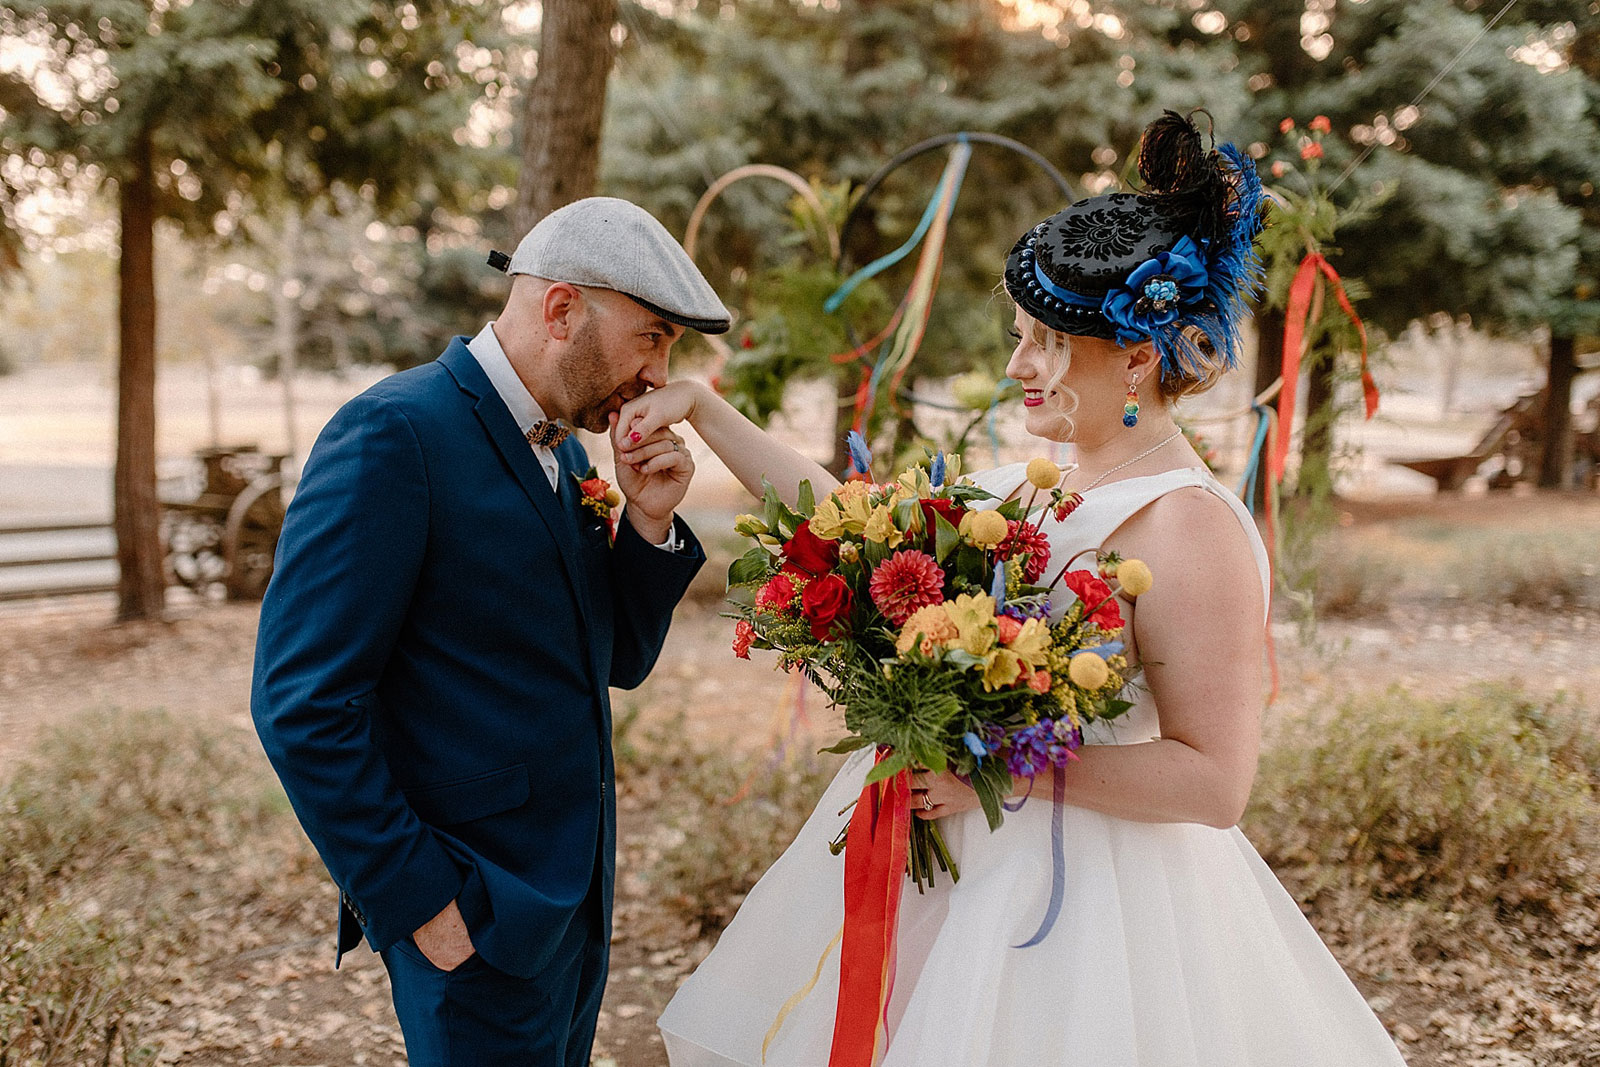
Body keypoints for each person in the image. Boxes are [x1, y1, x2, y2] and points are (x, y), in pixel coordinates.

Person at [617, 113, 1409, 1065]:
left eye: (1041, 342)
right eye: (1018, 335)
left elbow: (1215, 779)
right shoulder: (1028, 484)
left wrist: (1005, 770)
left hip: (1080, 908)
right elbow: (848, 518)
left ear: (1135, 356)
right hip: (941, 863)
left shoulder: (1189, 527)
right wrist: (705, 410)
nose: (1015, 366)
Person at [251, 197, 725, 1067]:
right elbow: (300, 703)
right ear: (560, 310)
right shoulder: (395, 435)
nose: (660, 374)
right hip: (472, 916)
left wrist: (647, 525)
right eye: (652, 335)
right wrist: (423, 904)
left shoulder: (571, 454)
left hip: (568, 907)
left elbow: (609, 660)